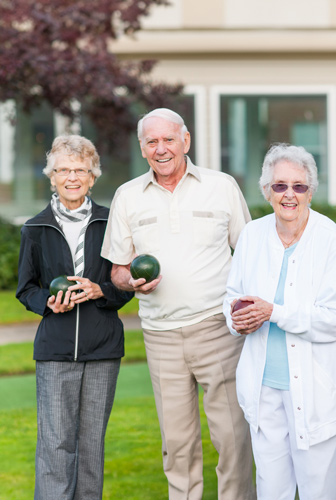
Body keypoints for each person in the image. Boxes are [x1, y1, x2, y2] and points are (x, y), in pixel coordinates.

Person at [101, 108, 255, 500]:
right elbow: (117, 270)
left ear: (186, 141)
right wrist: (131, 282)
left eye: (169, 139)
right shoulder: (128, 195)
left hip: (217, 329)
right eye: (152, 142)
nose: (161, 148)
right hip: (159, 335)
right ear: (142, 148)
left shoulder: (221, 187)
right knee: (177, 442)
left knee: (232, 437)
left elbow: (252, 254)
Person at [223, 143, 336, 500]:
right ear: (266, 191)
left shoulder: (330, 241)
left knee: (321, 492)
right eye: (280, 185)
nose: (289, 195)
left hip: (319, 393)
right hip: (264, 386)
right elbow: (232, 295)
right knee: (272, 490)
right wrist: (238, 319)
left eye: (298, 186)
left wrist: (274, 312)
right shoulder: (252, 236)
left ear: (311, 192)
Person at [16, 135, 134, 500]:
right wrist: (48, 304)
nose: (72, 177)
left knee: (91, 447)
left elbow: (125, 283)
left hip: (103, 349)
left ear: (93, 177)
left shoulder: (111, 222)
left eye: (80, 170)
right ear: (51, 176)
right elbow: (26, 289)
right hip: (55, 351)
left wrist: (102, 291)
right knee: (55, 445)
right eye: (64, 170)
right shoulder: (35, 228)